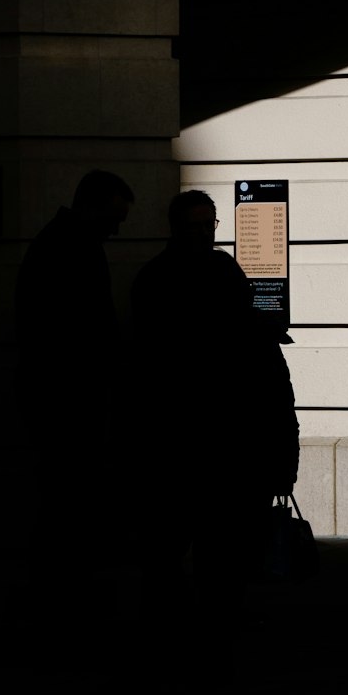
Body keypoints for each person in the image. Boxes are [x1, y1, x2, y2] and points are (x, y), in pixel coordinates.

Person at [130, 190, 299, 662]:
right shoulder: (163, 279)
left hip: (218, 435)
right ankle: (187, 629)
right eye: (196, 226)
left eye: (210, 225)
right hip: (182, 435)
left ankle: (201, 628)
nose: (205, 234)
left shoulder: (216, 272)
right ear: (176, 227)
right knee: (179, 543)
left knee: (214, 544)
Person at [15, 169, 135, 598]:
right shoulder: (73, 250)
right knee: (66, 502)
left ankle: (58, 590)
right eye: (115, 217)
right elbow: (83, 332)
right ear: (94, 206)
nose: (117, 228)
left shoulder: (57, 243)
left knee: (61, 501)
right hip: (68, 402)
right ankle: (60, 594)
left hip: (59, 400)